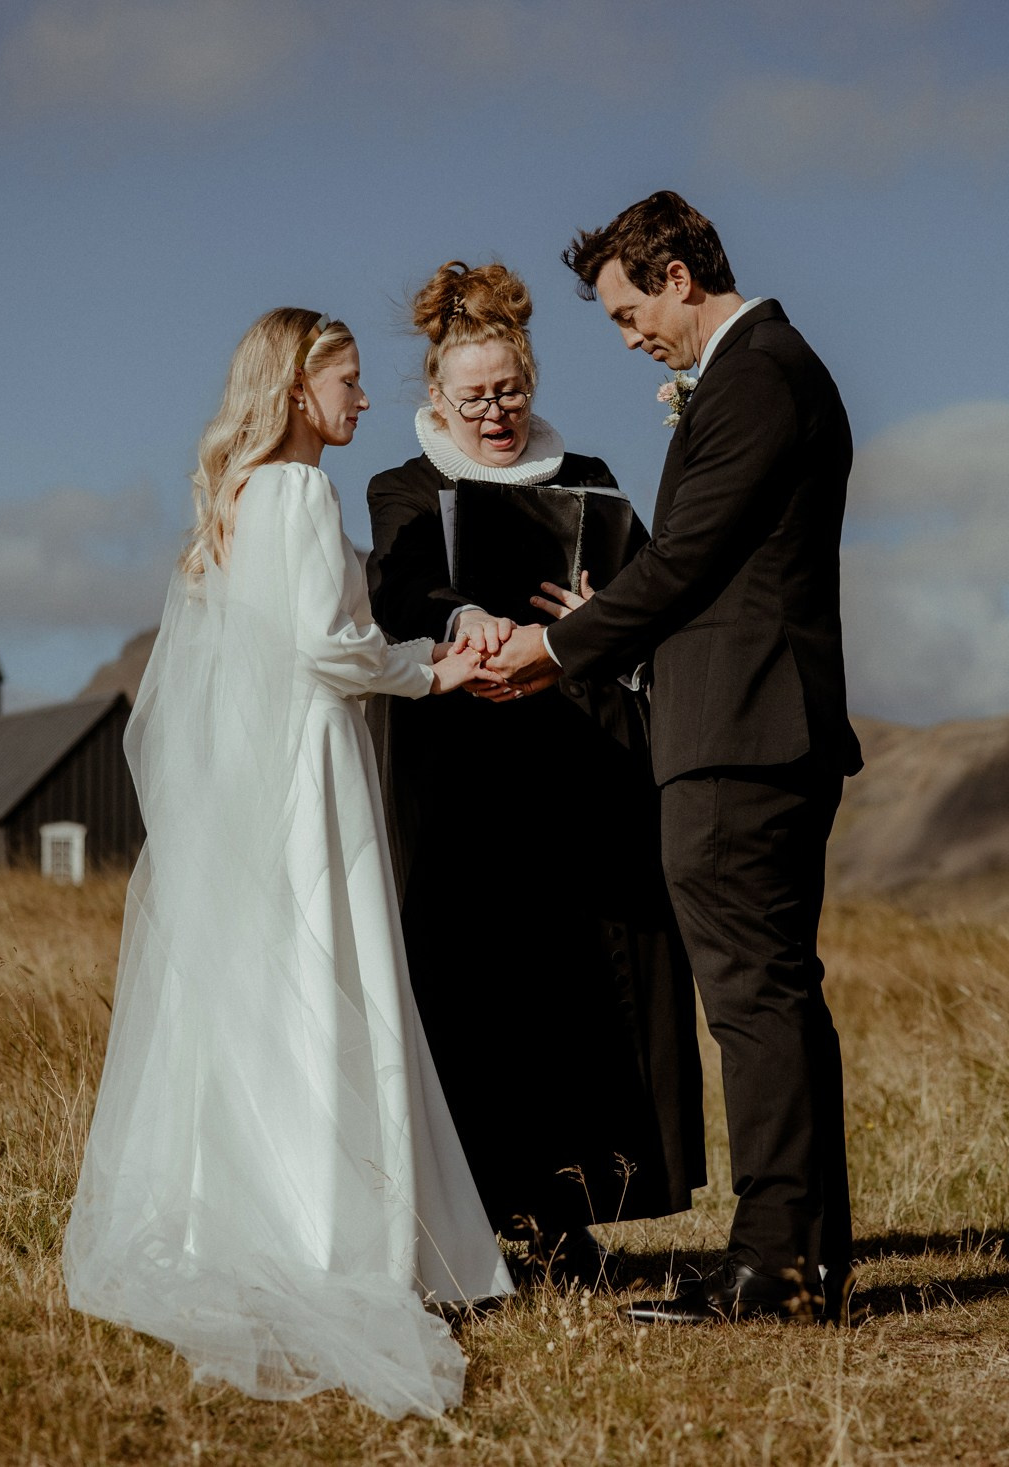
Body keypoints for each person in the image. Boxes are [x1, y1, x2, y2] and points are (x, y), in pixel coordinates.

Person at [62, 308, 512, 1419]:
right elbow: (325, 647)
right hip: (312, 769)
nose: (363, 400)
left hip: (248, 781)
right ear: (296, 387)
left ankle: (246, 1218)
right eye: (349, 382)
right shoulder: (304, 493)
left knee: (266, 993)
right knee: (333, 980)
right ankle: (338, 1240)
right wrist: (431, 671)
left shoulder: (235, 497)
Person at [485, 192, 866, 1325]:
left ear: (677, 276)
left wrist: (556, 645)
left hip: (743, 738)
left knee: (753, 1000)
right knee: (772, 998)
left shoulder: (757, 376)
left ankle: (774, 1268)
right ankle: (799, 1257)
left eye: (624, 312)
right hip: (746, 723)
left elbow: (693, 558)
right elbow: (717, 570)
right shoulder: (765, 371)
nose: (628, 336)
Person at [365, 261, 705, 1282]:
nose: (495, 411)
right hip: (461, 779)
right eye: (472, 397)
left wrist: (601, 613)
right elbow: (400, 594)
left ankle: (568, 1212)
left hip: (578, 767)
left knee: (577, 992)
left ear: (531, 381)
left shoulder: (588, 473)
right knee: (472, 989)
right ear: (437, 398)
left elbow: (655, 598)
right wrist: (459, 614)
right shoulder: (402, 486)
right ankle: (476, 1216)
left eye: (509, 390)